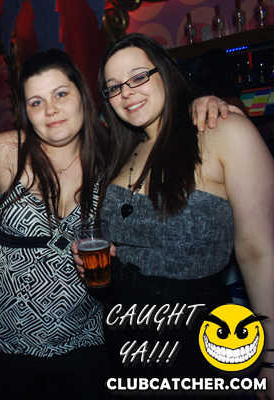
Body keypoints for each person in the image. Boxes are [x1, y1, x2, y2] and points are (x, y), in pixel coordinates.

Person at [94, 33, 274, 396]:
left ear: (164, 71)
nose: (126, 92)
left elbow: (259, 253)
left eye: (138, 77)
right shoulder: (122, 152)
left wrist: (269, 356)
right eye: (114, 87)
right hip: (124, 330)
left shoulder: (223, 132)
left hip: (197, 332)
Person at [0, 49, 112, 400]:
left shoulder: (114, 155)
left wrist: (205, 103)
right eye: (37, 102)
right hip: (2, 343)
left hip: (83, 341)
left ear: (83, 94)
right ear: (25, 111)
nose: (50, 110)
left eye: (60, 94)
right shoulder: (1, 154)